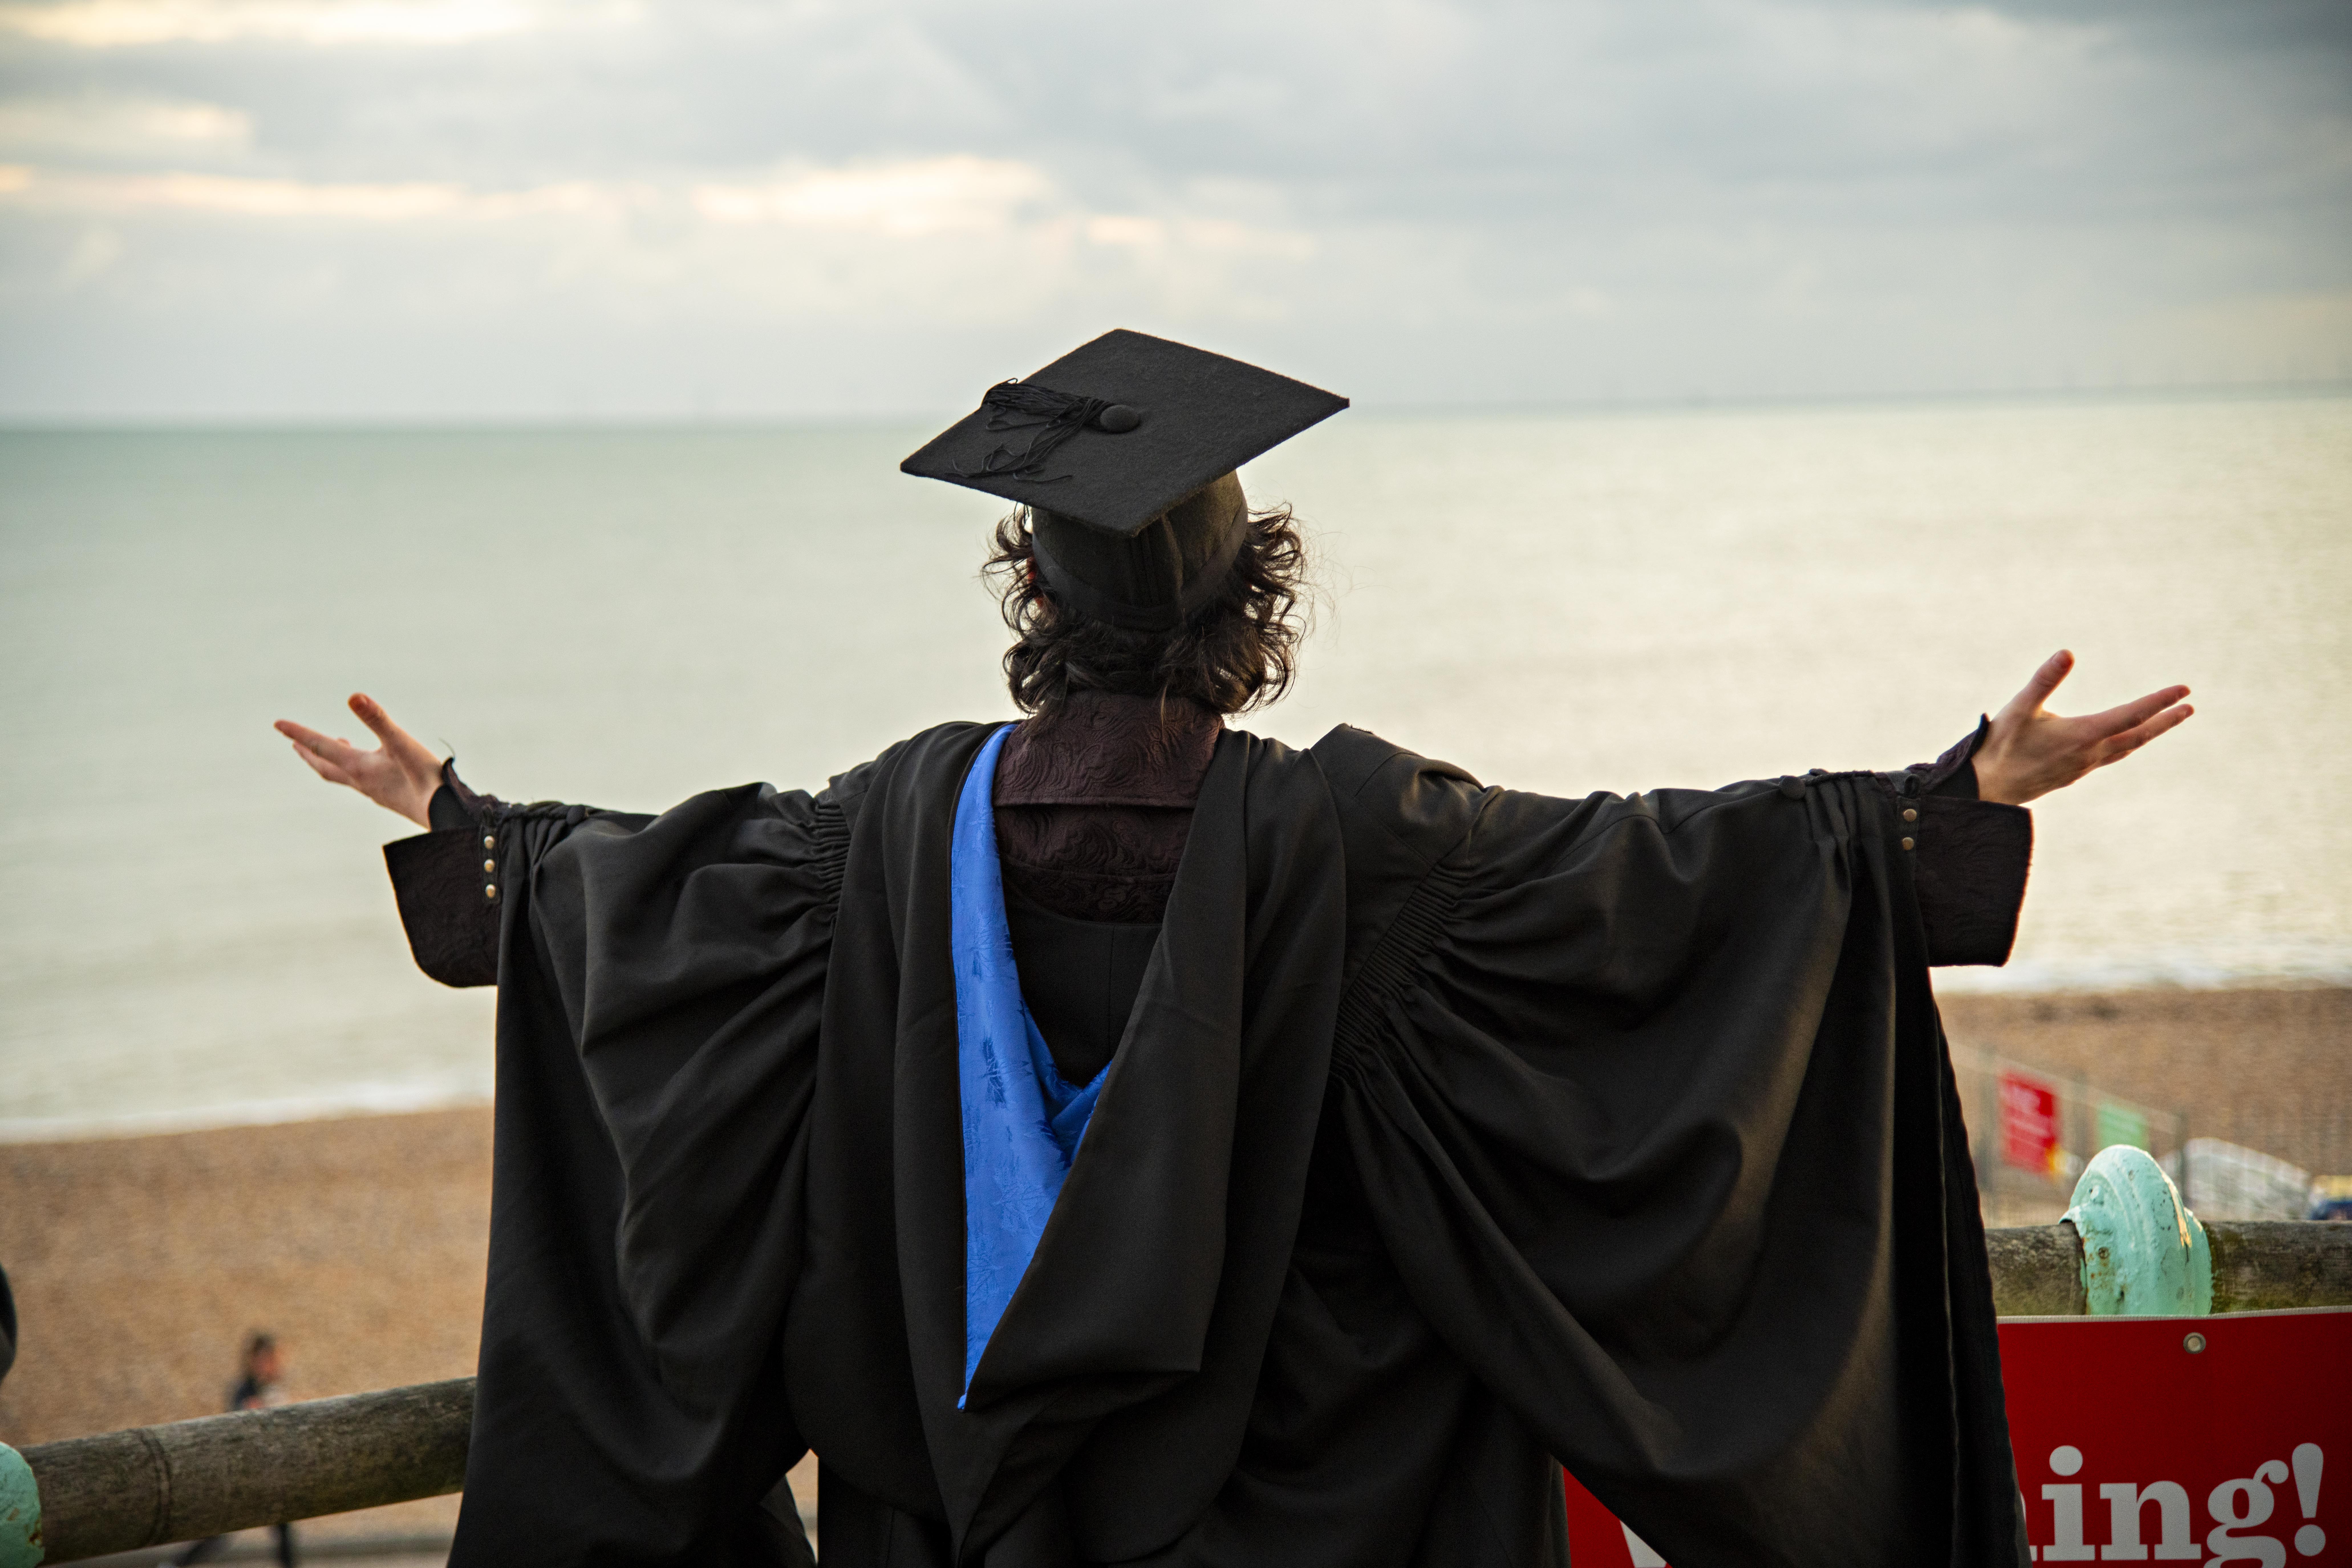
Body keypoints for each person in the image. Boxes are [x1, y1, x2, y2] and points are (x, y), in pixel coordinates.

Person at [278, 330, 2190, 1568]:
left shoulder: (881, 835)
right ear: (1246, 592)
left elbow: (654, 897)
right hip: (1331, 1520)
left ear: (1028, 590)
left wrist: (482, 839)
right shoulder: (1372, 839)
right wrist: (1927, 809)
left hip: (969, 1518)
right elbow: (1669, 877)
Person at [172, 1333, 298, 1566]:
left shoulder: (273, 1388)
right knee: (220, 1532)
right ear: (253, 1359)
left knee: (283, 1528)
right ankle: (175, 1565)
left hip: (268, 1473)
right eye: (264, 1358)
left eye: (272, 1359)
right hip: (245, 1474)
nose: (269, 1364)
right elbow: (238, 1417)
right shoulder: (244, 1388)